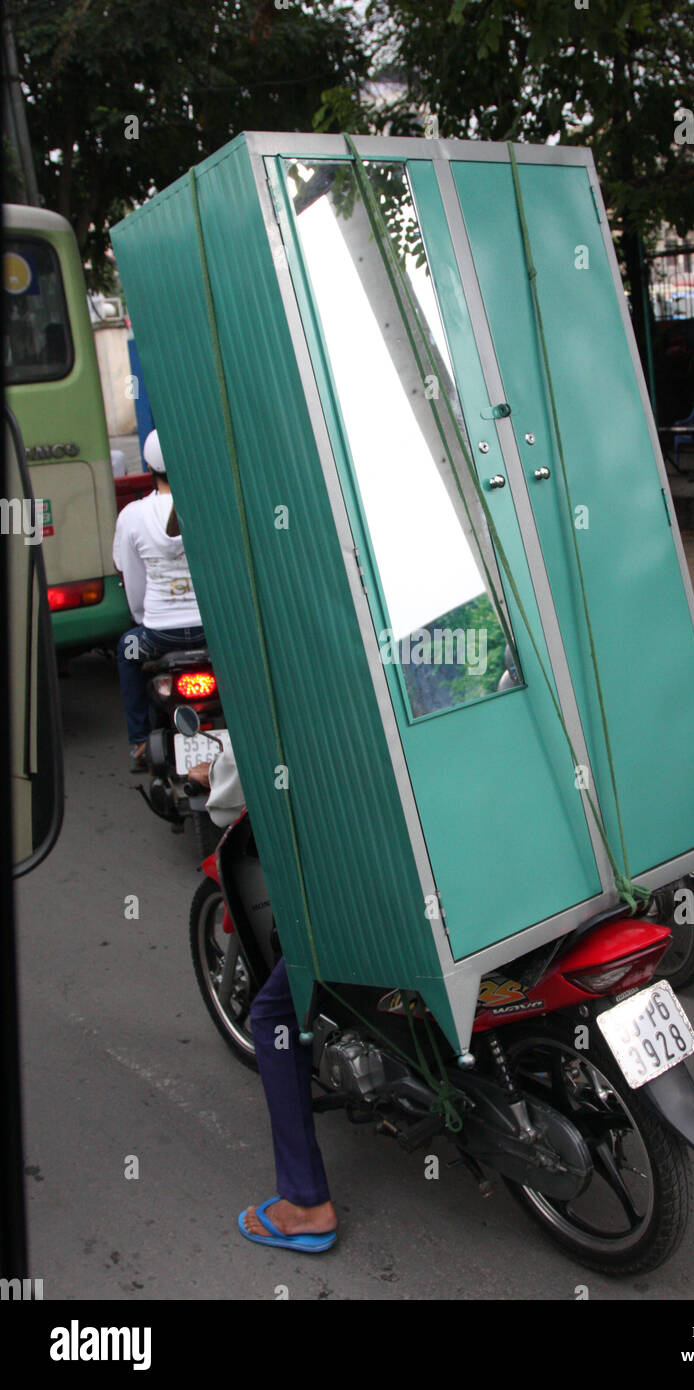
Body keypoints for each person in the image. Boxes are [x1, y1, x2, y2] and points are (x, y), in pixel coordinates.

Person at [187, 748, 338, 1252]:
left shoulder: (313, 680)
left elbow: (249, 768)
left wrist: (217, 772)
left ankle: (304, 1203)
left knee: (272, 1013)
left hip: (365, 887)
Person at [113, 430, 206, 769]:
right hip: (211, 631)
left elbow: (133, 582)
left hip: (158, 634)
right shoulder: (209, 506)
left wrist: (143, 619)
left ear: (150, 466)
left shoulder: (133, 516)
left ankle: (139, 741)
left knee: (126, 650)